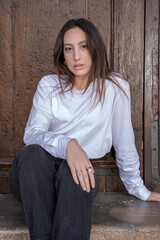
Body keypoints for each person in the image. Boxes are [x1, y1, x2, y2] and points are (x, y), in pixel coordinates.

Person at [9, 18, 160, 240]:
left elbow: (124, 140)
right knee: (32, 153)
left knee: (76, 173)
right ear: (63, 54)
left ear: (95, 48)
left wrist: (139, 189)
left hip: (78, 179)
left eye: (83, 46)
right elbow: (31, 134)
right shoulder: (49, 85)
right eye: (68, 49)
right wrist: (68, 145)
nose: (76, 56)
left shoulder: (115, 87)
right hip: (34, 179)